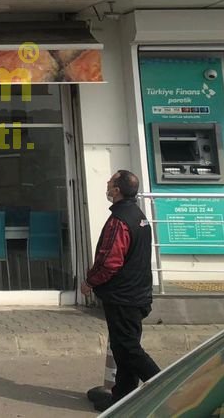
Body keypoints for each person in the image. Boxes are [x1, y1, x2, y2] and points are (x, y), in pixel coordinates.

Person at [81, 170, 160, 409]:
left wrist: (90, 282)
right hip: (136, 293)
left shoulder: (120, 220)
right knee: (123, 348)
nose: (106, 185)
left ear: (117, 190)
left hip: (124, 296)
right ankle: (122, 397)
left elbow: (109, 261)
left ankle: (167, 388)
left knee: (128, 349)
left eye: (110, 183)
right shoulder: (138, 215)